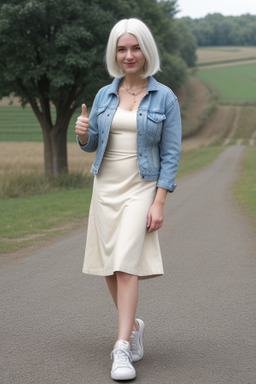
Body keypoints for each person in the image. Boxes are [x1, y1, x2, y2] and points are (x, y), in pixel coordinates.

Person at [75, 18, 181, 381]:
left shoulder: (164, 96)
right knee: (108, 264)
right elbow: (94, 146)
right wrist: (83, 134)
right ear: (114, 53)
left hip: (141, 186)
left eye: (135, 47)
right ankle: (133, 326)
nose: (129, 55)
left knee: (124, 264)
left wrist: (159, 201)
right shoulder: (105, 94)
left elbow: (170, 154)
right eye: (122, 48)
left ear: (146, 50)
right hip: (105, 186)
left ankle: (121, 348)